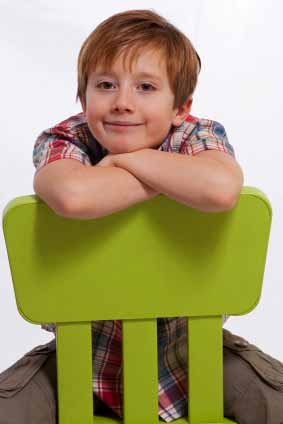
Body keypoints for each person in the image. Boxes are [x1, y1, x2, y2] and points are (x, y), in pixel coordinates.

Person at [19, 8, 283, 424]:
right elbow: (71, 194)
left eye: (145, 87)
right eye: (105, 85)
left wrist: (128, 162)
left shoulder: (197, 134)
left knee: (274, 399)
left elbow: (219, 188)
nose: (123, 103)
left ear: (181, 106)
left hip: (192, 353)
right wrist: (170, 177)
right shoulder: (65, 138)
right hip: (80, 357)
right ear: (82, 97)